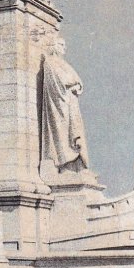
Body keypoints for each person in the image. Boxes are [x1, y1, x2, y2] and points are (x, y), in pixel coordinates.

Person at [41, 37, 89, 173]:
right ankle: (66, 164)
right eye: (61, 44)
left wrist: (76, 85)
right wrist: (74, 83)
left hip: (70, 103)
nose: (64, 48)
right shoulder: (50, 63)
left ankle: (77, 164)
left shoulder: (63, 63)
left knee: (75, 131)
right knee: (64, 133)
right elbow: (63, 80)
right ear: (53, 46)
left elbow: (77, 80)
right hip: (61, 105)